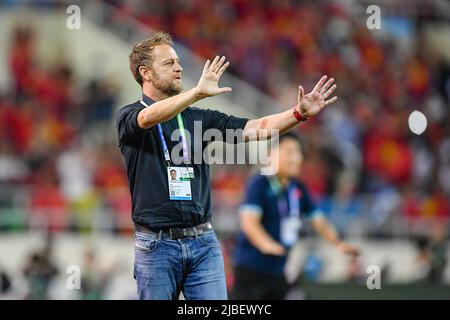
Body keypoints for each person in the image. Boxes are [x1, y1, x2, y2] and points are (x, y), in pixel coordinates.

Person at [116, 31, 338, 300]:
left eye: (178, 61)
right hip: (156, 246)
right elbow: (149, 117)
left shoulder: (198, 118)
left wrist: (297, 113)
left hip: (203, 243)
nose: (179, 67)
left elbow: (256, 128)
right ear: (146, 73)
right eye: (169, 63)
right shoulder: (129, 116)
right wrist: (196, 93)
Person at [232, 132, 360, 300]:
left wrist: (338, 243)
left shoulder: (298, 188)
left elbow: (319, 221)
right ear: (271, 154)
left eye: (298, 153)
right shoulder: (259, 183)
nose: (295, 158)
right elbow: (249, 222)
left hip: (279, 270)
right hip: (252, 271)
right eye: (289, 152)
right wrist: (266, 244)